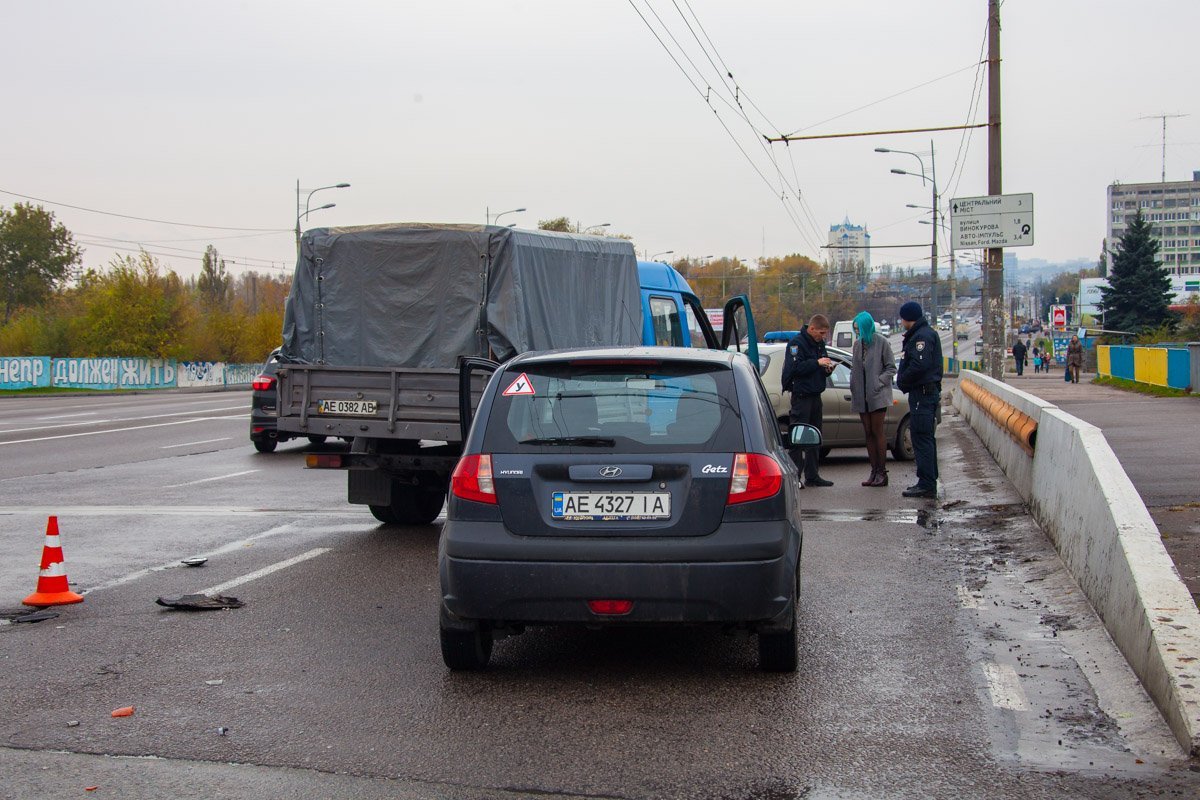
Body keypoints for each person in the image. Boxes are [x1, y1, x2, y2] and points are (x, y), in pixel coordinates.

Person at [781, 314, 835, 487]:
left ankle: (812, 475)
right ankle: (795, 476)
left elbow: (820, 366)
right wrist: (817, 363)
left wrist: (827, 368)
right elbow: (795, 368)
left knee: (814, 437)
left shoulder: (819, 344)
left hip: (815, 395)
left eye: (825, 333)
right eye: (821, 332)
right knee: (798, 437)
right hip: (801, 396)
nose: (823, 336)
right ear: (811, 329)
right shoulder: (797, 344)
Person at [895, 301, 942, 499]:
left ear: (908, 318)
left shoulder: (921, 337)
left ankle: (927, 483)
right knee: (925, 438)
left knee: (921, 438)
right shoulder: (923, 333)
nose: (901, 321)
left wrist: (902, 380)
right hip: (924, 393)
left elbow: (919, 366)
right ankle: (928, 479)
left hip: (922, 394)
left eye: (902, 318)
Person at [849, 311, 896, 487]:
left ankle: (882, 472)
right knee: (868, 433)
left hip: (877, 395)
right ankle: (873, 470)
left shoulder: (881, 342)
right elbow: (855, 368)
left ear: (866, 327)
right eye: (855, 329)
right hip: (861, 395)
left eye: (859, 328)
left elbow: (891, 367)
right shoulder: (857, 345)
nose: (857, 332)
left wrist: (879, 382)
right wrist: (853, 386)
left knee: (878, 432)